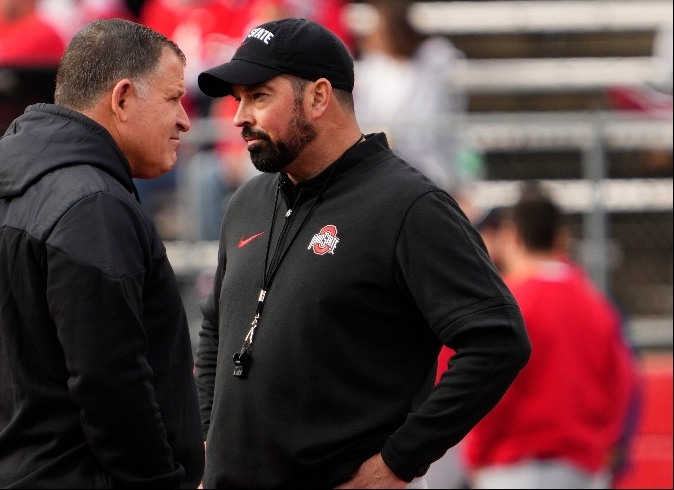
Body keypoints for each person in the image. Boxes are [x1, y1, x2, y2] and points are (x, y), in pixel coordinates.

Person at [193, 17, 532, 489]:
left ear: (318, 96)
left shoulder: (409, 205)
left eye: (259, 96)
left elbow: (499, 339)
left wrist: (400, 460)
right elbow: (216, 327)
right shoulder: (248, 201)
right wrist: (211, 439)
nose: (238, 116)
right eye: (238, 99)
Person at [0, 18, 204, 488]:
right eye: (174, 98)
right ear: (123, 98)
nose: (185, 119)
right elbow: (111, 384)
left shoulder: (0, 203)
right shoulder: (93, 204)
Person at [461, 184, 638, 489]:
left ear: (511, 236)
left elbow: (486, 388)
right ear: (560, 237)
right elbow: (622, 384)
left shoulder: (509, 303)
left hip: (513, 466)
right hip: (583, 468)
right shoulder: (596, 304)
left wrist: (476, 456)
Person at [351, 0, 471, 197]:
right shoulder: (373, 67)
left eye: (379, 25)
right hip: (378, 163)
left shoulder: (435, 58)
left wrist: (391, 138)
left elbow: (429, 125)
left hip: (426, 165)